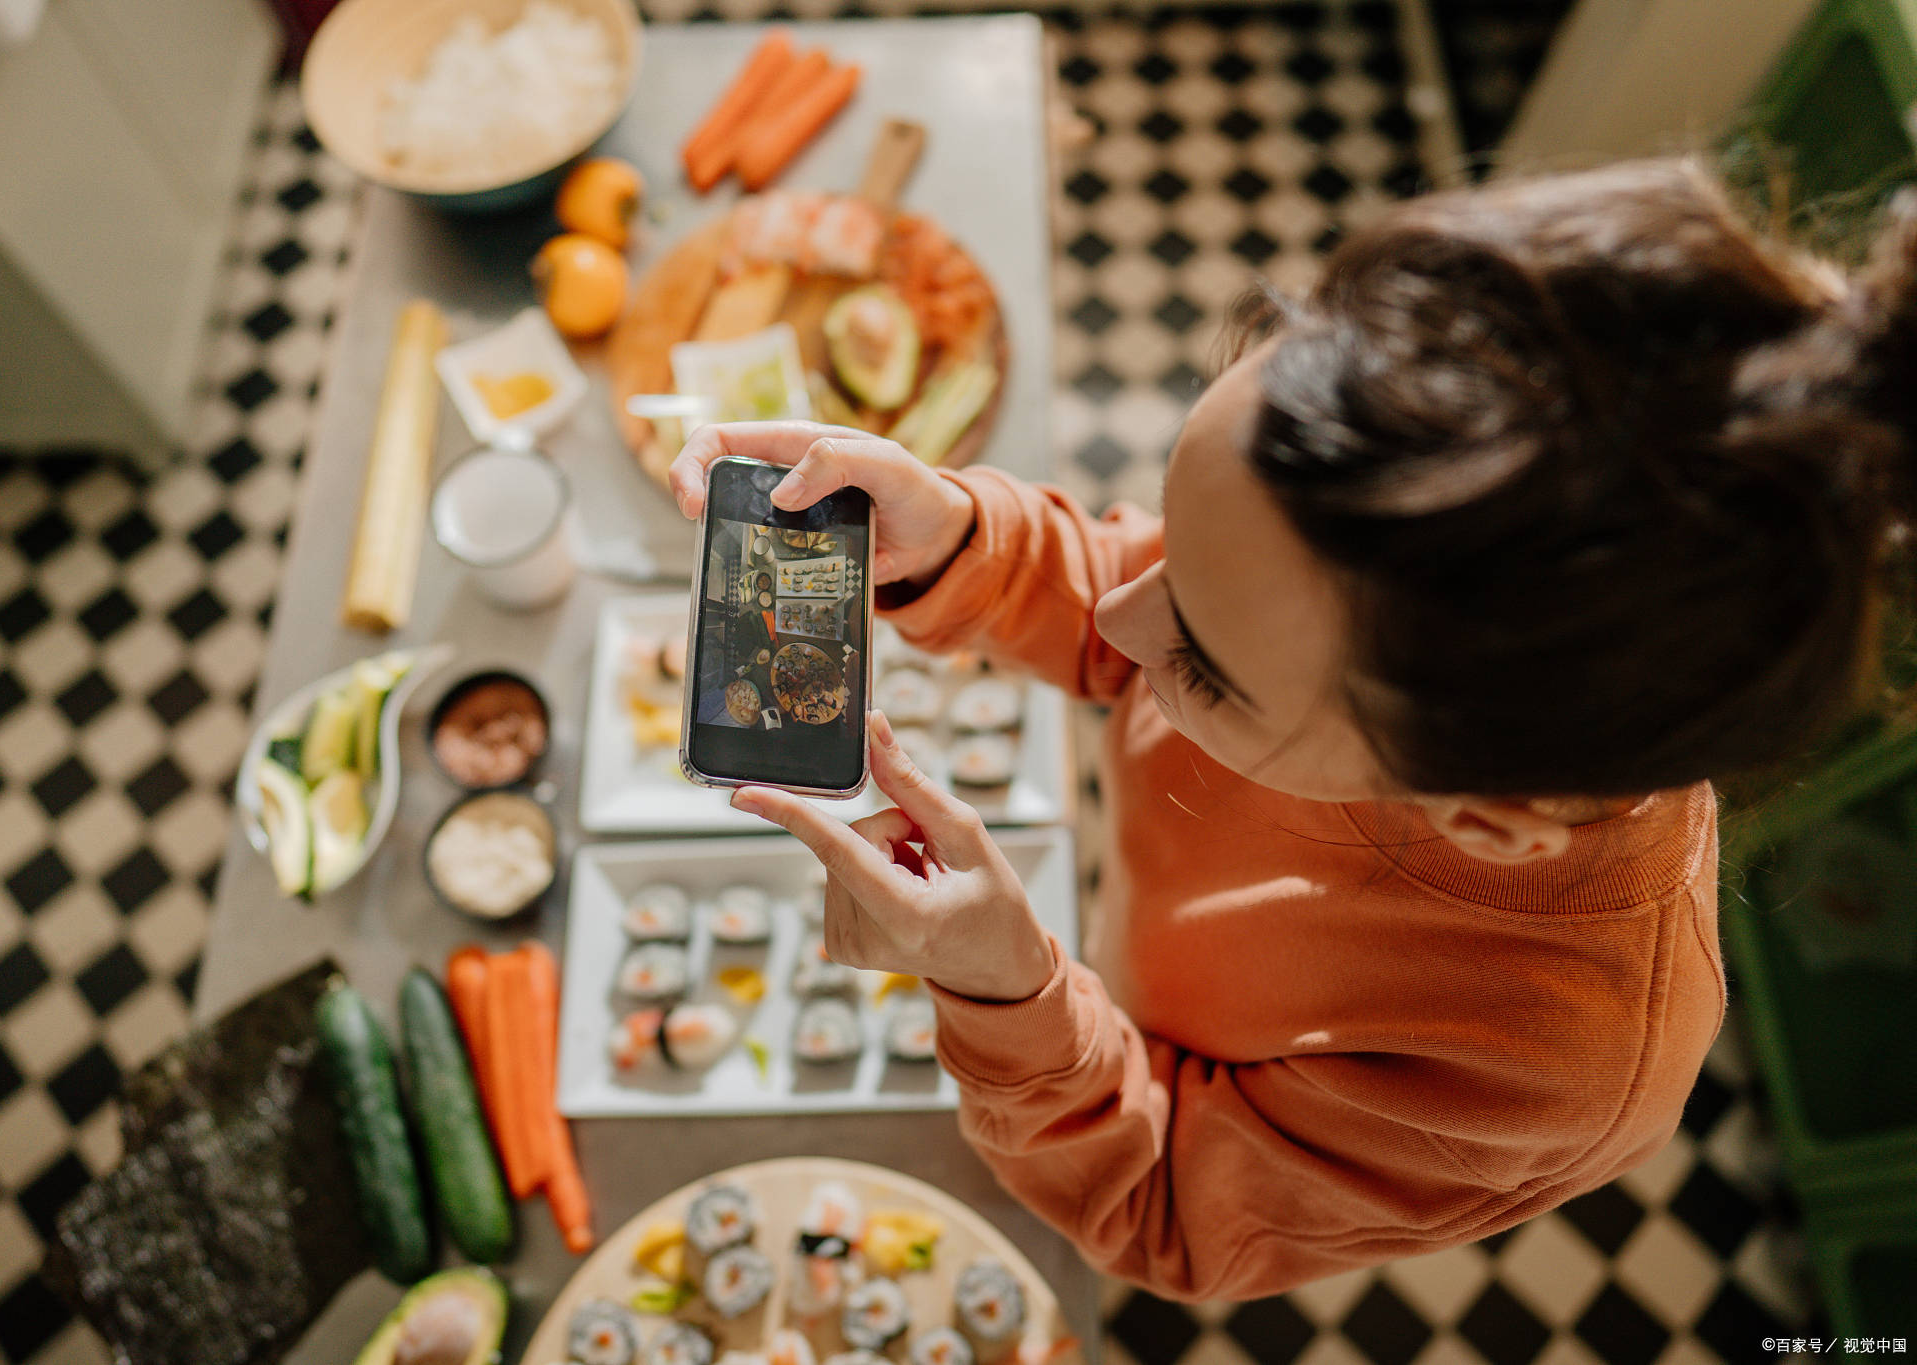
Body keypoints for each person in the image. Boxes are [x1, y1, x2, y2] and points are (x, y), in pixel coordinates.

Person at [668, 161, 1917, 1300]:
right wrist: (958, 538)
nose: (1113, 610)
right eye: (1172, 536)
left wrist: (1009, 997)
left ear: (1477, 815)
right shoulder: (1346, 599)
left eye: (1204, 665)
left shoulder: (1557, 1069)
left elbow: (1165, 1213)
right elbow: (1137, 602)